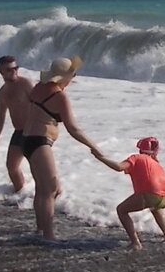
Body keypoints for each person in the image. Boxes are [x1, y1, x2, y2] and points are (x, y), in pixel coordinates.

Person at [21, 56, 103, 239]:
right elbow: (73, 128)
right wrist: (94, 147)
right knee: (50, 189)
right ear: (64, 78)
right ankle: (48, 235)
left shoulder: (38, 88)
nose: (73, 79)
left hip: (26, 140)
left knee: (43, 189)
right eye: (72, 76)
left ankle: (40, 229)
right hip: (39, 141)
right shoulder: (59, 96)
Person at [93, 136, 165, 249]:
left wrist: (100, 157)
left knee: (121, 210)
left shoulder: (136, 157)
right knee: (156, 209)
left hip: (149, 195)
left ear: (140, 149)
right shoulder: (157, 165)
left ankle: (135, 243)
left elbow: (119, 167)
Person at [0, 55, 35, 192]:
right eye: (9, 69)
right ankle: (21, 194)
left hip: (34, 131)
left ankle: (47, 197)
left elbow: (41, 104)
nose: (14, 71)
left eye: (16, 68)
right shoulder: (2, 93)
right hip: (19, 132)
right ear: (1, 72)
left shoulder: (26, 84)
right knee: (12, 166)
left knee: (38, 168)